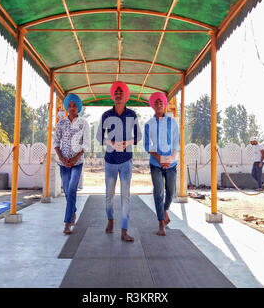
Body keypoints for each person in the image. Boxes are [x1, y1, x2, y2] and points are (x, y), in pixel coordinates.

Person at [96, 81, 142, 242]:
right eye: (116, 92)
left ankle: (124, 230)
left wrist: (126, 144)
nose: (118, 94)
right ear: (113, 96)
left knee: (125, 196)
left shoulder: (132, 114)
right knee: (109, 196)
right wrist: (112, 143)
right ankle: (110, 220)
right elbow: (99, 137)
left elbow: (138, 137)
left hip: (126, 162)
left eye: (121, 92)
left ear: (125, 96)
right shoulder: (106, 115)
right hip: (110, 161)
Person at [53, 94, 90, 235]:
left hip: (77, 162)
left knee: (72, 189)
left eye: (75, 105)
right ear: (67, 107)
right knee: (67, 191)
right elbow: (56, 142)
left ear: (78, 107)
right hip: (63, 163)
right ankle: (73, 211)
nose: (72, 108)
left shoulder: (84, 123)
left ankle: (67, 223)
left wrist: (74, 159)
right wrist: (62, 158)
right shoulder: (61, 123)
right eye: (70, 105)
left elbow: (86, 144)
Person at [144, 92, 180, 236]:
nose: (159, 104)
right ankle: (161, 223)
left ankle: (165, 210)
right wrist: (159, 158)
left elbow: (176, 142)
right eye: (156, 102)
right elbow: (147, 145)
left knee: (171, 191)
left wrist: (171, 158)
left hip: (171, 163)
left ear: (165, 104)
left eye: (161, 102)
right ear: (152, 105)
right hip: (156, 163)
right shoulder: (148, 124)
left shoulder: (173, 122)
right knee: (158, 192)